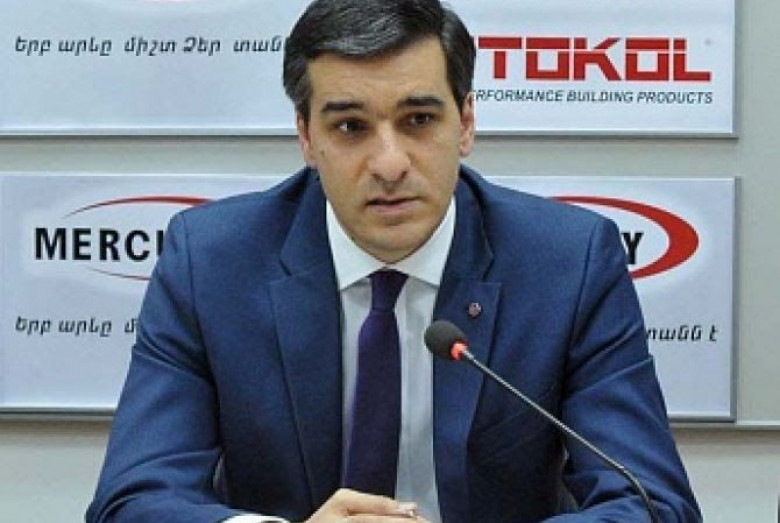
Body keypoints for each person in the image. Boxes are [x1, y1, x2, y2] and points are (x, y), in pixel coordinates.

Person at [86, 1, 702, 522]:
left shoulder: (568, 263)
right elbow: (132, 501)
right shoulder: (212, 262)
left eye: (419, 120)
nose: (389, 164)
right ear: (306, 137)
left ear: (465, 123)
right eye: (350, 127)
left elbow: (652, 504)